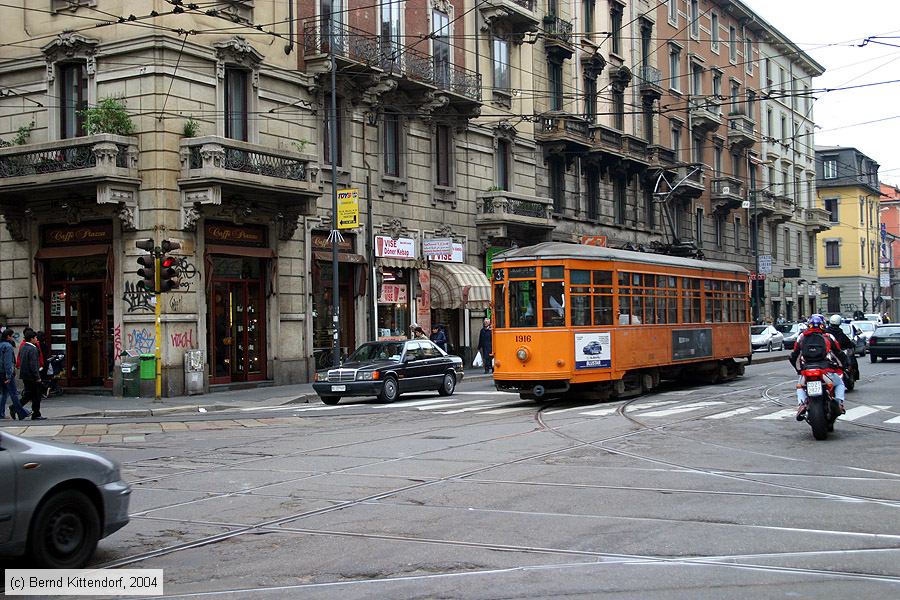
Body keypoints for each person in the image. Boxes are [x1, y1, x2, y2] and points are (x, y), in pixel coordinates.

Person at [790, 314, 848, 421]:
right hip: (825, 370)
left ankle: (802, 404)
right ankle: (839, 402)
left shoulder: (802, 337)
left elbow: (794, 355)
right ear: (823, 325)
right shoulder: (828, 337)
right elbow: (839, 353)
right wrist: (844, 366)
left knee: (800, 386)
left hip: (807, 370)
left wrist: (799, 370)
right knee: (840, 383)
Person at [0, 329, 30, 420]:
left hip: (0, 372)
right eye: (12, 336)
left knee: (4, 393)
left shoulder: (1, 345)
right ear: (8, 336)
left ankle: (1, 413)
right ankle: (21, 412)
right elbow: (8, 362)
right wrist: (9, 375)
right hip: (6, 373)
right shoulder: (8, 347)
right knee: (13, 393)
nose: (13, 338)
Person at [18, 330, 45, 420]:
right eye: (35, 338)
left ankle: (15, 407)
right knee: (36, 395)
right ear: (31, 339)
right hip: (32, 376)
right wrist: (37, 377)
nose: (36, 339)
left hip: (25, 374)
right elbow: (33, 365)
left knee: (29, 394)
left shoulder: (23, 347)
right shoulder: (33, 349)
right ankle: (36, 414)